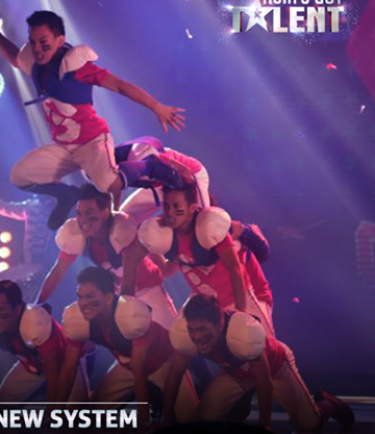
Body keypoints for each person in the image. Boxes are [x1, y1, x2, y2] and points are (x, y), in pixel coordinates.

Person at [0, 9, 185, 229]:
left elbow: (120, 86)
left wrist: (156, 107)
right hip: (64, 147)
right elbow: (15, 58)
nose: (37, 49)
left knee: (108, 184)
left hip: (92, 142)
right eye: (33, 42)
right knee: (19, 176)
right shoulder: (36, 65)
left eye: (44, 43)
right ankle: (65, 195)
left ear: (59, 41)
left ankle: (151, 167)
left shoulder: (78, 68)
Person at [164, 294, 355, 430]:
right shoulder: (186, 336)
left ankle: (329, 403)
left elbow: (264, 382)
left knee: (309, 424)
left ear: (220, 323)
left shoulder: (242, 334)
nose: (197, 336)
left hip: (275, 368)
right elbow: (174, 376)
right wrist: (165, 419)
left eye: (202, 330)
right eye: (192, 329)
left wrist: (265, 426)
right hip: (236, 373)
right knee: (203, 421)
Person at [56, 267, 197, 427]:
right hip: (129, 364)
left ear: (108, 298)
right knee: (93, 415)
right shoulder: (79, 320)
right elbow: (69, 369)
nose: (83, 303)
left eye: (90, 296)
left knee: (192, 421)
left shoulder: (129, 315)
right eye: (80, 297)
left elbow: (140, 371)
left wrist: (143, 422)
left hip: (163, 362)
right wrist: (54, 412)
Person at [137, 184, 275, 333]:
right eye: (167, 207)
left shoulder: (222, 234)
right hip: (213, 307)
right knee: (179, 337)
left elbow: (238, 267)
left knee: (251, 341)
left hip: (246, 298)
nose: (170, 213)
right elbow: (165, 270)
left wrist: (240, 313)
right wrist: (149, 240)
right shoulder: (179, 240)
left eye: (177, 207)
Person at [37, 184, 177, 329]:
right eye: (79, 213)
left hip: (148, 289)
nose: (83, 220)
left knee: (169, 336)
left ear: (104, 213)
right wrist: (36, 305)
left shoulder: (123, 231)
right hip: (120, 294)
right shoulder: (76, 237)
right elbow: (57, 272)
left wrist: (121, 314)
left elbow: (128, 282)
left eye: (89, 213)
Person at [0, 280, 87, 403]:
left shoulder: (34, 322)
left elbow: (53, 370)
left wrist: (51, 410)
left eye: (0, 310)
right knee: (0, 406)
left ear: (17, 310)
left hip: (65, 364)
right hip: (31, 364)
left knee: (75, 412)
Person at [0, 183, 56, 301]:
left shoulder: (55, 210)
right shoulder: (34, 206)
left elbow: (3, 208)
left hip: (45, 267)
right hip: (33, 266)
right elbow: (3, 208)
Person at [117, 136, 210, 224]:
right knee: (126, 214)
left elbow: (185, 171)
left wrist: (188, 195)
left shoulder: (149, 158)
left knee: (203, 219)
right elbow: (116, 187)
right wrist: (114, 211)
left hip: (191, 176)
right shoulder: (120, 166)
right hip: (162, 181)